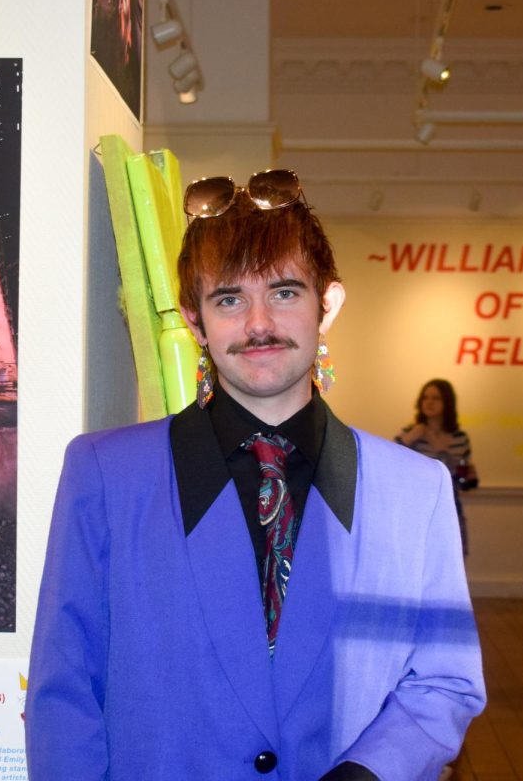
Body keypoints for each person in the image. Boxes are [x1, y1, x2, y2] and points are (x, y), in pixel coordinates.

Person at [25, 170, 485, 779]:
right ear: (194, 320)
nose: (258, 323)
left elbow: (446, 680)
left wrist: (370, 771)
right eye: (229, 298)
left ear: (330, 303)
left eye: (286, 292)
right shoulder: (106, 476)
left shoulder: (415, 490)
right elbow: (63, 696)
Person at [395, 378, 477, 555]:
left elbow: (467, 482)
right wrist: (409, 439)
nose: (429, 402)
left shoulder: (459, 437)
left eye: (436, 398)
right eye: (425, 397)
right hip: (417, 506)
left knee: (450, 558)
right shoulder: (411, 432)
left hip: (450, 505)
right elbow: (391, 461)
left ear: (447, 402)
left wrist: (470, 476)